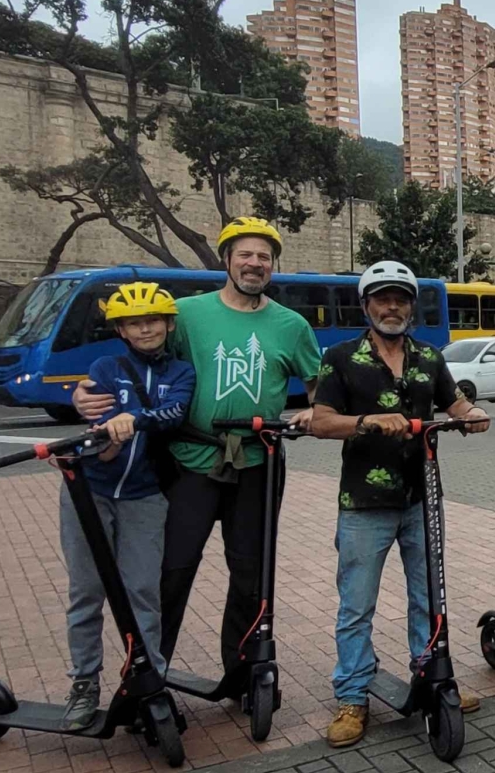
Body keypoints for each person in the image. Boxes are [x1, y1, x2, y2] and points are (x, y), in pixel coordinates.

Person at [75, 217, 322, 673]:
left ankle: (242, 670)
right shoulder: (186, 314)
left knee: (251, 573)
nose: (254, 264)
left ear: (273, 266)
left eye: (264, 257)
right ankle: (148, 670)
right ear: (226, 260)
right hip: (190, 460)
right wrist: (85, 391)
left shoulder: (291, 325)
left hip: (257, 460)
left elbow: (317, 387)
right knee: (172, 569)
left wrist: (314, 410)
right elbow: (141, 360)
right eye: (245, 255)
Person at [310, 260, 491, 749]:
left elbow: (454, 403)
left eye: (401, 299)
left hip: (421, 498)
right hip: (363, 502)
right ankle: (351, 695)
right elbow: (321, 422)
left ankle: (432, 676)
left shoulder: (429, 357)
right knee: (356, 604)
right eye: (382, 299)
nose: (392, 307)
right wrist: (368, 420)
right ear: (367, 305)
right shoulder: (341, 357)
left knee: (429, 596)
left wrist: (473, 415)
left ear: (412, 306)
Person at [60, 283, 195, 729]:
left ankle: (147, 677)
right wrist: (107, 433)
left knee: (142, 592)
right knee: (87, 592)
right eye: (135, 322)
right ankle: (84, 683)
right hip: (92, 491)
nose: (146, 328)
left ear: (169, 323)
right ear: (121, 329)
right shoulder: (105, 366)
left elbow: (175, 412)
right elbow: (98, 431)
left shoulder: (181, 372)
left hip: (145, 495)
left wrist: (133, 419)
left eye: (154, 319)